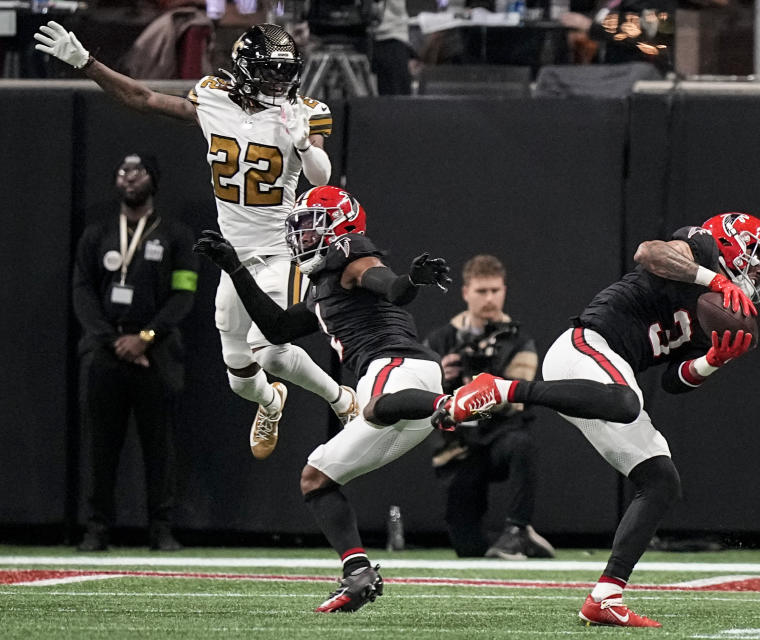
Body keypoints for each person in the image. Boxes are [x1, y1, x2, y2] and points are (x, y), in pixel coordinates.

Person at [434, 212, 760, 627]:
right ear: (726, 244)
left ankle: (605, 596)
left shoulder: (715, 311)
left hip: (604, 383)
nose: (756, 273)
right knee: (626, 400)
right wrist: (716, 279)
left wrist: (711, 360)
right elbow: (649, 252)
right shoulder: (699, 249)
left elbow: (673, 381)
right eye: (753, 259)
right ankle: (502, 388)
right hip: (586, 346)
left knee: (660, 480)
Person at [34, 20, 358, 462]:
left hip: (283, 249)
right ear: (244, 69)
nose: (280, 81)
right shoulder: (212, 97)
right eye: (270, 71)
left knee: (273, 351)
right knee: (240, 375)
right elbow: (143, 98)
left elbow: (320, 177)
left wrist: (303, 144)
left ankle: (342, 400)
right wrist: (87, 63)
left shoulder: (304, 111)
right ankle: (270, 402)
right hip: (235, 255)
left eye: (286, 72)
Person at [193, 185, 452, 613]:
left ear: (339, 228)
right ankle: (358, 574)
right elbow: (276, 328)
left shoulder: (350, 254)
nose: (302, 237)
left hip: (398, 369)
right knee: (316, 479)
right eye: (298, 229)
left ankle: (454, 405)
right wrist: (236, 268)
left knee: (373, 408)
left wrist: (410, 281)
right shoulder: (319, 288)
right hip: (394, 387)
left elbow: (389, 287)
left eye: (311, 227)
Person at [73, 153, 199, 552]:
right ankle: (96, 528)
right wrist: (113, 340)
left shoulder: (175, 235)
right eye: (122, 171)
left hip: (156, 352)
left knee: (159, 445)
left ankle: (161, 528)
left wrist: (147, 336)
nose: (129, 178)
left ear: (153, 180)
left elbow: (184, 293)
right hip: (104, 349)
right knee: (100, 443)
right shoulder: (98, 234)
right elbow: (83, 292)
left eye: (138, 171)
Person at [424, 255, 554, 560]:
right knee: (467, 548)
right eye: (482, 291)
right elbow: (418, 393)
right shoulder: (441, 340)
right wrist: (440, 376)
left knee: (522, 444)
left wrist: (481, 388)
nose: (489, 298)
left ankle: (517, 529)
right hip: (459, 446)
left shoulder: (520, 341)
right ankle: (522, 542)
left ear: (504, 290)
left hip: (499, 436)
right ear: (466, 291)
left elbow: (516, 399)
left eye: (495, 290)